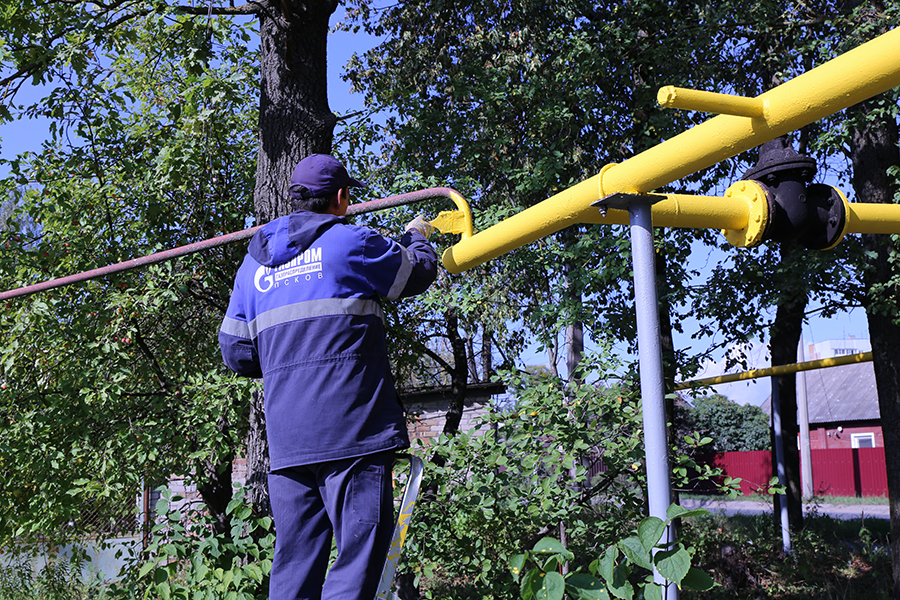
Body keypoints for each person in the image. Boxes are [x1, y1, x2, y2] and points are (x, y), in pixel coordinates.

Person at [218, 154, 438, 599]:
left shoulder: (252, 267)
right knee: (358, 561)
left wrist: (289, 355)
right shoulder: (350, 243)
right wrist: (419, 234)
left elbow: (236, 353)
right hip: (352, 435)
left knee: (295, 566)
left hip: (288, 442)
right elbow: (416, 273)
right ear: (341, 197)